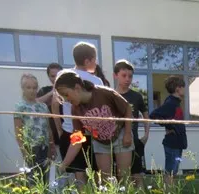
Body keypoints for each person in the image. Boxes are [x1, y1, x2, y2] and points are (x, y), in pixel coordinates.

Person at [55, 70, 133, 183]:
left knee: (124, 177)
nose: (66, 99)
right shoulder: (75, 109)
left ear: (77, 88)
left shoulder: (104, 93)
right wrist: (64, 164)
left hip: (120, 134)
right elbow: (77, 139)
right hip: (100, 141)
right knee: (105, 180)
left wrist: (127, 133)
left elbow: (127, 108)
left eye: (66, 94)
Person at [51, 42, 104, 184]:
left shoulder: (63, 74)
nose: (96, 62)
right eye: (95, 59)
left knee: (78, 174)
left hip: (70, 131)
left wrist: (60, 130)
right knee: (95, 174)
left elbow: (55, 104)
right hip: (91, 134)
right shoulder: (97, 80)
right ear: (87, 61)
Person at [114, 59, 150, 188]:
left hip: (134, 141)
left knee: (137, 176)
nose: (127, 79)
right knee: (120, 176)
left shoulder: (136, 96)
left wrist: (146, 135)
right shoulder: (111, 96)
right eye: (124, 75)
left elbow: (146, 116)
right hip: (115, 142)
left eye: (130, 76)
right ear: (116, 75)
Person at [14, 74, 54, 183]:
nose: (32, 91)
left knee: (45, 176)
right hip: (31, 147)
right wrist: (24, 150)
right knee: (34, 177)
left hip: (44, 146)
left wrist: (51, 146)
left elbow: (48, 128)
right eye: (28, 87)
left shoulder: (43, 106)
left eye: (34, 87)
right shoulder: (20, 107)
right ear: (23, 88)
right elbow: (18, 131)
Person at [150, 75, 187, 188]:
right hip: (172, 143)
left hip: (177, 142)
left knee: (173, 172)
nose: (185, 90)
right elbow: (153, 115)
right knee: (170, 172)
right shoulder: (171, 103)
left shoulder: (176, 103)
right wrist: (169, 126)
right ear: (177, 88)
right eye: (183, 87)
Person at [36, 63, 62, 155]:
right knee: (53, 167)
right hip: (49, 138)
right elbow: (35, 103)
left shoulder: (69, 91)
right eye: (52, 76)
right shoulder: (44, 90)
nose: (55, 78)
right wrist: (52, 92)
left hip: (66, 135)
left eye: (58, 75)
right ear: (48, 76)